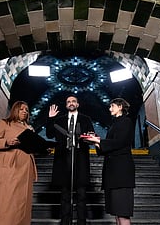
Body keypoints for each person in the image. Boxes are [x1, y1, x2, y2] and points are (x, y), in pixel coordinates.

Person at [0, 101, 37, 225]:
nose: (24, 112)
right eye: (21, 109)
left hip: (26, 167)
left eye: (26, 110)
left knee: (22, 203)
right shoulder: (5, 123)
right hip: (9, 167)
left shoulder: (30, 128)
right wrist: (7, 142)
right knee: (7, 202)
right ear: (15, 110)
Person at [84, 98, 135, 225]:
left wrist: (98, 140)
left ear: (120, 107)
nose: (110, 108)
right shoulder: (115, 124)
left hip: (121, 174)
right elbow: (107, 148)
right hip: (113, 175)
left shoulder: (126, 121)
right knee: (117, 213)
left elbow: (120, 142)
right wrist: (95, 142)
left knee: (123, 214)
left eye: (112, 106)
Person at [46, 95, 95, 225]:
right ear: (66, 105)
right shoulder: (60, 120)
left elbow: (91, 135)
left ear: (78, 104)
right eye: (68, 101)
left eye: (73, 101)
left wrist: (89, 136)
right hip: (63, 159)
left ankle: (81, 222)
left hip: (80, 159)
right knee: (65, 194)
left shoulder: (86, 119)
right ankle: (65, 221)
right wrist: (51, 119)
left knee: (81, 194)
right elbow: (49, 134)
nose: (71, 103)